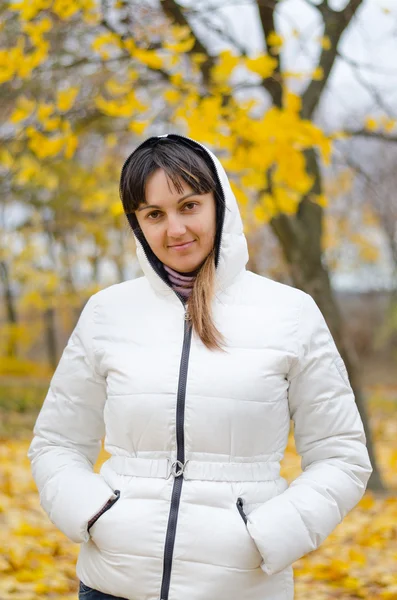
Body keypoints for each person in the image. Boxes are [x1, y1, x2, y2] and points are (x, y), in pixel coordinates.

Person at [27, 133, 373, 600]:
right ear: (137, 224)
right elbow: (57, 442)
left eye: (189, 205)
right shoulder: (106, 312)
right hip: (114, 584)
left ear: (220, 204)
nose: (174, 230)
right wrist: (94, 516)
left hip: (240, 586)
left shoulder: (290, 313)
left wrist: (265, 536)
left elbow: (341, 455)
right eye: (154, 214)